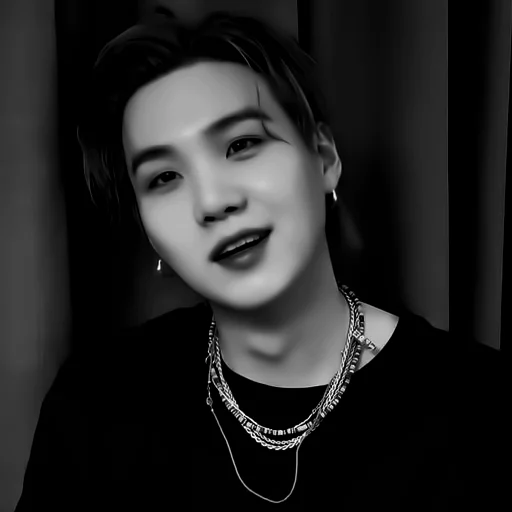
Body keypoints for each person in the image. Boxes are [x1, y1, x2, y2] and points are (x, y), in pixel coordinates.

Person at [15, 10, 502, 511]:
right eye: (164, 177)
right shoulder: (95, 405)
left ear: (323, 157)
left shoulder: (482, 409)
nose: (213, 202)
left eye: (242, 144)